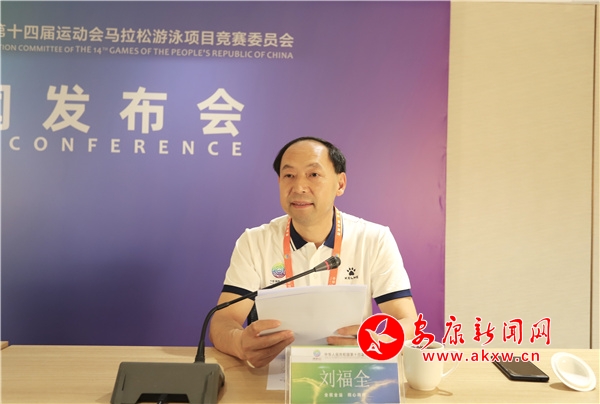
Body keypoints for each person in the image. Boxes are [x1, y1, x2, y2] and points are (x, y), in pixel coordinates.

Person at [209, 137, 418, 368]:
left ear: (340, 184)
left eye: (313, 174)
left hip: (349, 372)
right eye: (289, 175)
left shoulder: (374, 239)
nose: (299, 187)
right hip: (274, 373)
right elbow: (223, 321)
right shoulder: (254, 241)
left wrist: (376, 342)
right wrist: (240, 344)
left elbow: (408, 321)